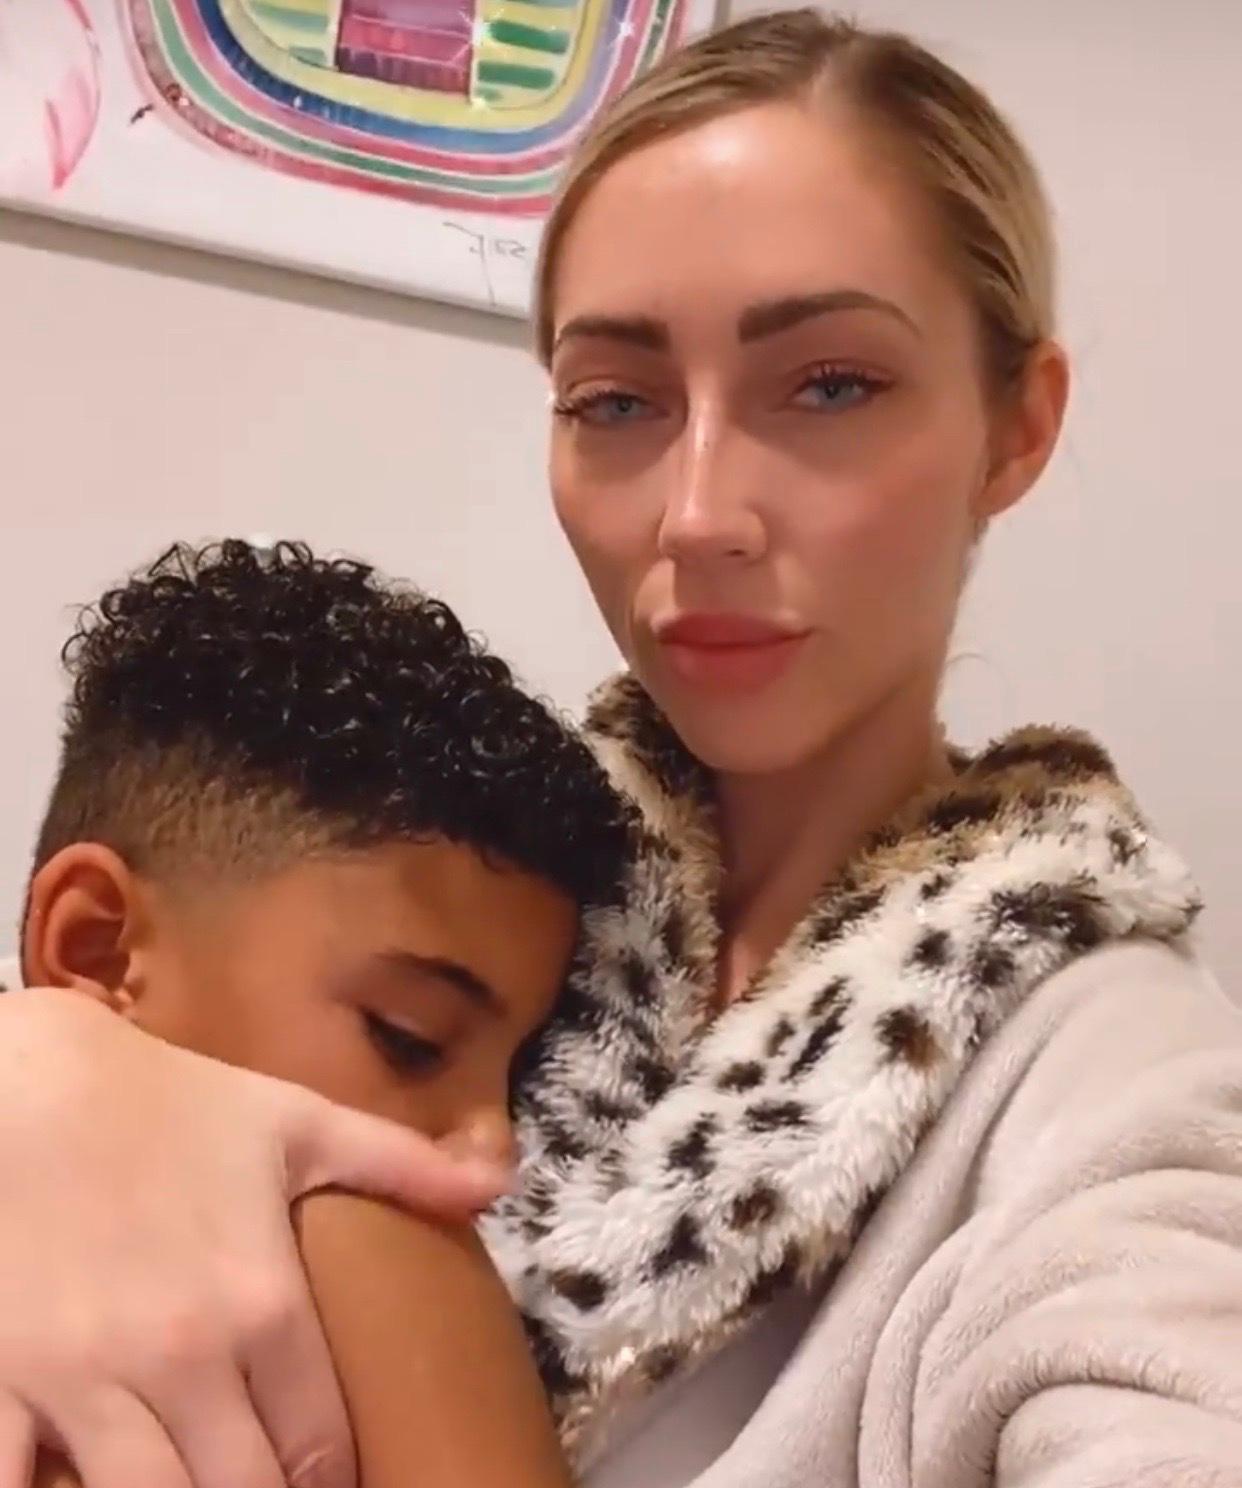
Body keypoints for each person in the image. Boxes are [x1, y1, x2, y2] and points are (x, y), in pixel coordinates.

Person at [2, 9, 1241, 1487]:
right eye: (616, 402)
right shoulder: (461, 871)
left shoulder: (1109, 1077)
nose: (698, 513)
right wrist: (50, 1069)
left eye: (829, 384)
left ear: (1015, 427)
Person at [14, 538, 626, 1488]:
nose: (491, 1159)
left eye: (518, 1078)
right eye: (408, 1037)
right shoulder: (364, 1236)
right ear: (98, 949)